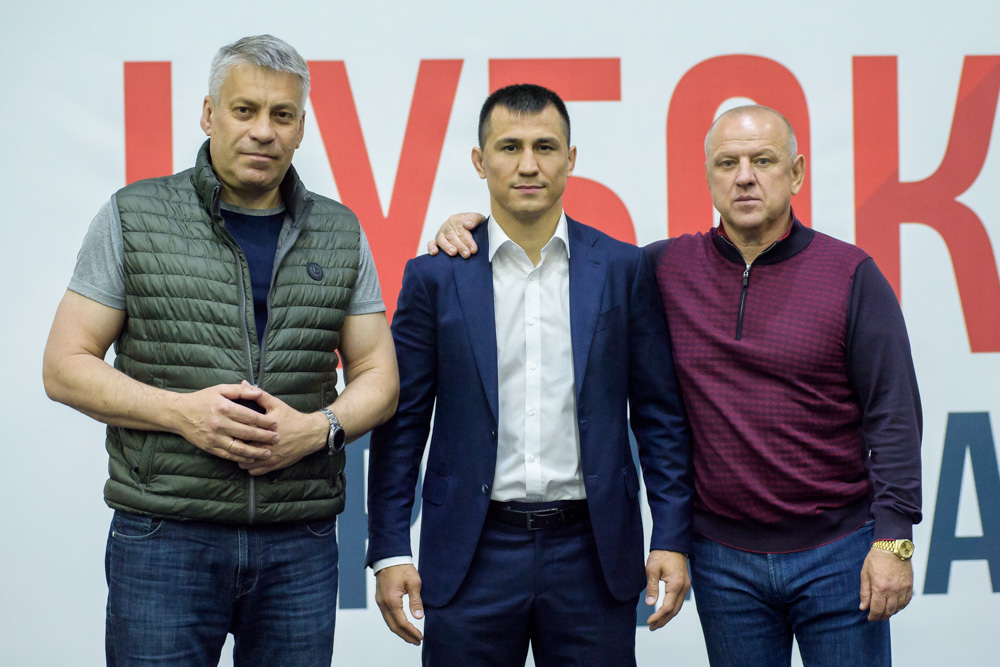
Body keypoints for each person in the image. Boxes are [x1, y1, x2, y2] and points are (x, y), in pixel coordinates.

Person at [429, 104, 922, 666]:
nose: (744, 177)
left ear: (797, 173)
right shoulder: (661, 268)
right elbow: (559, 257)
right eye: (727, 163)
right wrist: (472, 229)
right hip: (723, 560)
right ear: (708, 176)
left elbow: (893, 416)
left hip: (839, 553)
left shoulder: (850, 274)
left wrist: (893, 539)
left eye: (763, 161)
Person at [42, 35, 398, 666]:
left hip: (300, 539)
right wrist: (182, 413)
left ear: (301, 128)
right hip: (165, 535)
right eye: (244, 110)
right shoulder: (134, 215)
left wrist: (317, 428)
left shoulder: (340, 231)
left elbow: (378, 377)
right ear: (209, 114)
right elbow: (64, 366)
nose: (263, 130)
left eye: (282, 115)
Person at [366, 84, 693, 666]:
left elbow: (659, 416)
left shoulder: (622, 268)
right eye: (509, 147)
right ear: (479, 160)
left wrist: (670, 534)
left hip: (593, 551)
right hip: (472, 552)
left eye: (545, 147)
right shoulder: (435, 276)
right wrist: (390, 548)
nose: (527, 165)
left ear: (570, 158)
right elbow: (403, 422)